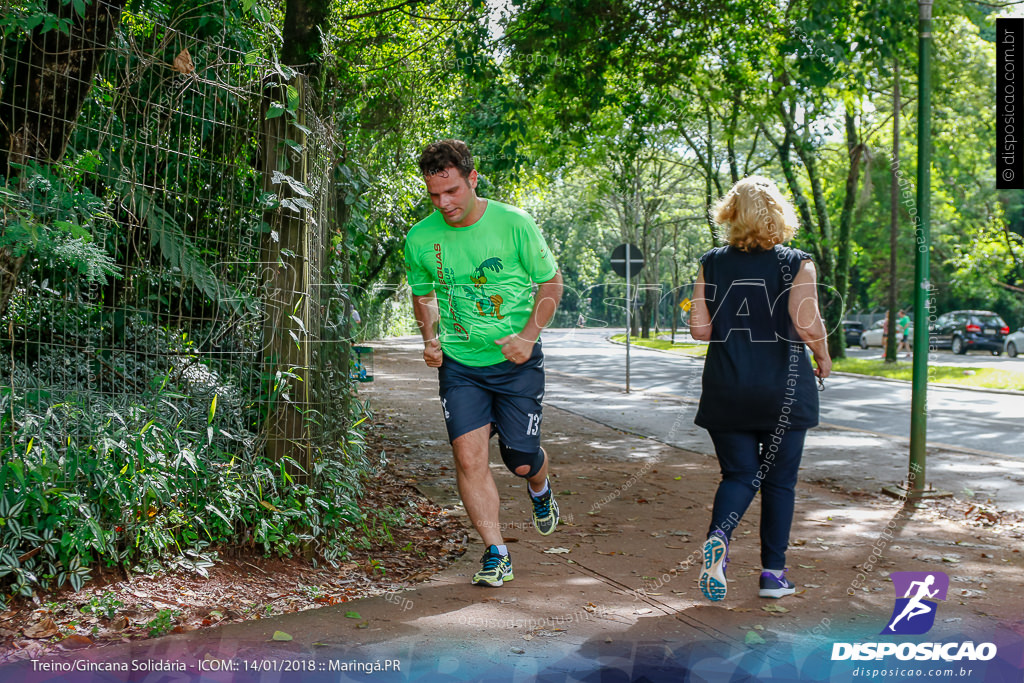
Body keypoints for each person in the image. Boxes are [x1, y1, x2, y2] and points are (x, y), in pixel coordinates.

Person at [404, 139, 564, 588]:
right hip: (461, 365)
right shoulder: (420, 237)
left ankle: (540, 487)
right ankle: (496, 552)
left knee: (520, 460)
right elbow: (423, 294)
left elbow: (550, 282)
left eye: (452, 191)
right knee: (468, 457)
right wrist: (431, 339)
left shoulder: (514, 224)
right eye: (434, 195)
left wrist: (528, 337)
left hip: (516, 363)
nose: (444, 203)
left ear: (472, 179)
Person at [689, 176, 832, 602]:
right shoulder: (796, 262)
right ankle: (773, 575)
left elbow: (700, 330)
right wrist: (823, 356)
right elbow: (806, 322)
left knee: (739, 474)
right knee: (779, 483)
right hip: (782, 390)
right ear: (779, 215)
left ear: (730, 214)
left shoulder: (711, 262)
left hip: (726, 387)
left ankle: (720, 537)